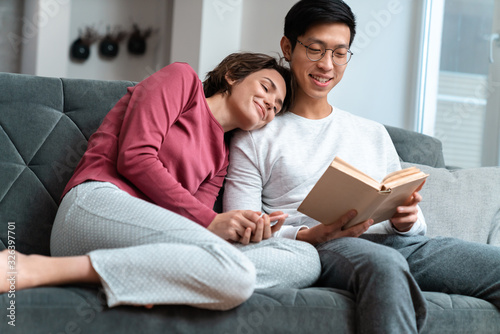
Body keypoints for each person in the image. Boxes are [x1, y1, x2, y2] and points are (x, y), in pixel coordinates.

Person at [223, 1, 500, 332]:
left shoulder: (371, 132)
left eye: (340, 53)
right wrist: (307, 235)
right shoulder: (256, 135)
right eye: (314, 49)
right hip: (327, 247)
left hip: (400, 244)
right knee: (385, 266)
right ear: (287, 46)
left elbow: (414, 226)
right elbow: (241, 227)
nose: (327, 65)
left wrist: (406, 219)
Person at [0, 52, 320, 311]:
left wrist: (243, 231)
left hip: (148, 243)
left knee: (304, 260)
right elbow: (135, 157)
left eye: (277, 107)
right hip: (94, 206)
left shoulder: (222, 158)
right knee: (235, 272)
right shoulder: (182, 80)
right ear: (233, 75)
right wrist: (213, 222)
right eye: (267, 88)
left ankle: (155, 275)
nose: (270, 105)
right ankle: (37, 268)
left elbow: (191, 229)